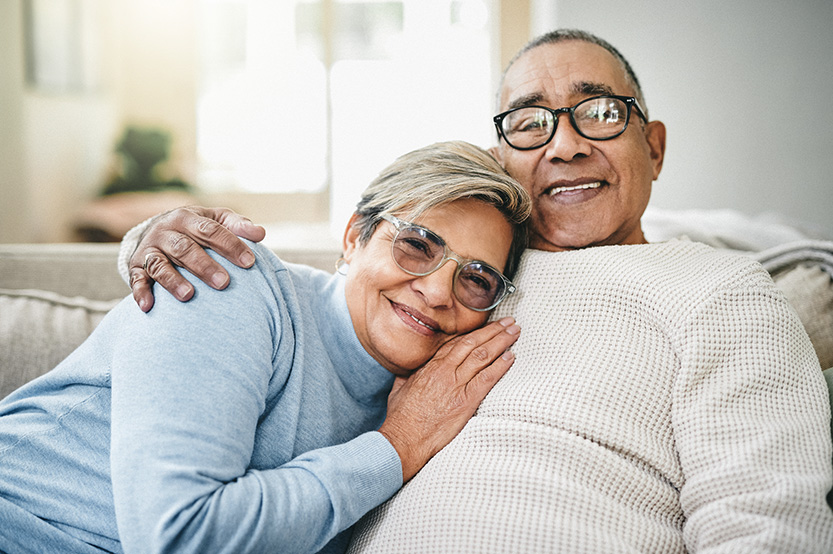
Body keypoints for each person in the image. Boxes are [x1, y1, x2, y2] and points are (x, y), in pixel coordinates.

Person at [115, 30, 833, 552]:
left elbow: (767, 519)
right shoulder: (461, 287)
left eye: (601, 111)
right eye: (529, 123)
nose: (564, 145)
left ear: (654, 146)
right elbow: (329, 287)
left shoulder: (718, 288)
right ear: (501, 163)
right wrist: (156, 237)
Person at [0, 141, 532, 553]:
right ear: (353, 236)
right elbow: (179, 537)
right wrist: (396, 447)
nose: (439, 291)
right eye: (417, 244)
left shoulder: (436, 398)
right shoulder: (227, 279)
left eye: (477, 279)